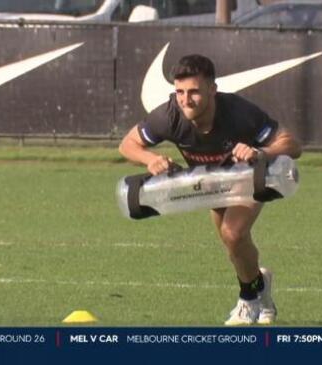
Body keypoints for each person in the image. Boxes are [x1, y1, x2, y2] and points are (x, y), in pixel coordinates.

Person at [118, 54, 302, 325]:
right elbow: (127, 144)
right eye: (179, 92)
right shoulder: (169, 115)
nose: (185, 100)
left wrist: (259, 151)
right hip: (211, 186)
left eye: (194, 92)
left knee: (233, 232)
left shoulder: (239, 113)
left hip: (248, 177)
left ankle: (247, 301)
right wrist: (151, 159)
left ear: (212, 90)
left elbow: (292, 145)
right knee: (233, 247)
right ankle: (261, 286)